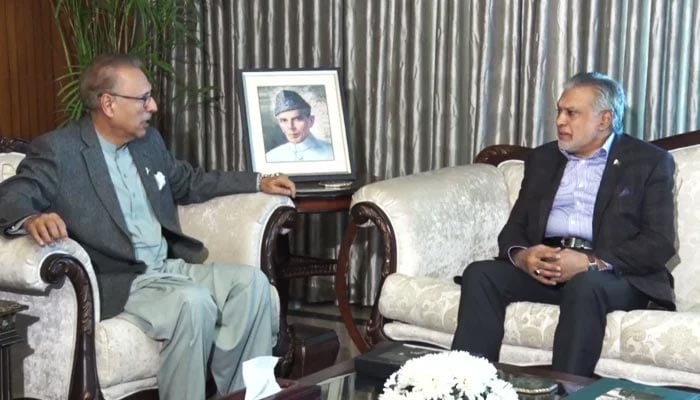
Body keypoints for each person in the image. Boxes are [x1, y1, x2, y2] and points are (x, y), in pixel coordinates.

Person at [0, 54, 296, 400]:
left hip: (170, 267)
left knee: (253, 285)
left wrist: (258, 181)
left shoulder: (148, 143)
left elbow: (188, 181)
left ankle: (248, 396)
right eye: (143, 98)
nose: (152, 106)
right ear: (108, 103)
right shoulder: (60, 150)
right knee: (193, 302)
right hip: (121, 280)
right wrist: (32, 218)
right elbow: (11, 195)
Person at [451, 72, 676, 377]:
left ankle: (562, 391)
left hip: (612, 274)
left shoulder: (648, 161)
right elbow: (515, 227)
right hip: (550, 267)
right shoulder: (543, 159)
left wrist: (590, 262)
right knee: (481, 274)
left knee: (585, 286)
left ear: (604, 119)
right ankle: (465, 384)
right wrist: (523, 256)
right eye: (559, 111)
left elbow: (658, 241)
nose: (560, 121)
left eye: (572, 113)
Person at [265, 89, 334, 162]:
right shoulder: (271, 157)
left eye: (297, 119)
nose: (290, 127)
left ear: (311, 121)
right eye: (284, 120)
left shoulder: (331, 153)